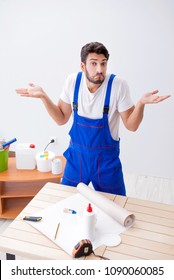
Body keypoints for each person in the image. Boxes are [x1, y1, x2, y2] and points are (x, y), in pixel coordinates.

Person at [16, 42, 170, 195]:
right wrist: (43, 96)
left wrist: (141, 104)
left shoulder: (118, 85)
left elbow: (131, 125)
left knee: (117, 206)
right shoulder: (73, 82)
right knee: (65, 202)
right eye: (94, 63)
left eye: (103, 64)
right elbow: (61, 118)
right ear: (83, 66)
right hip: (77, 160)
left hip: (106, 163)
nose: (100, 70)